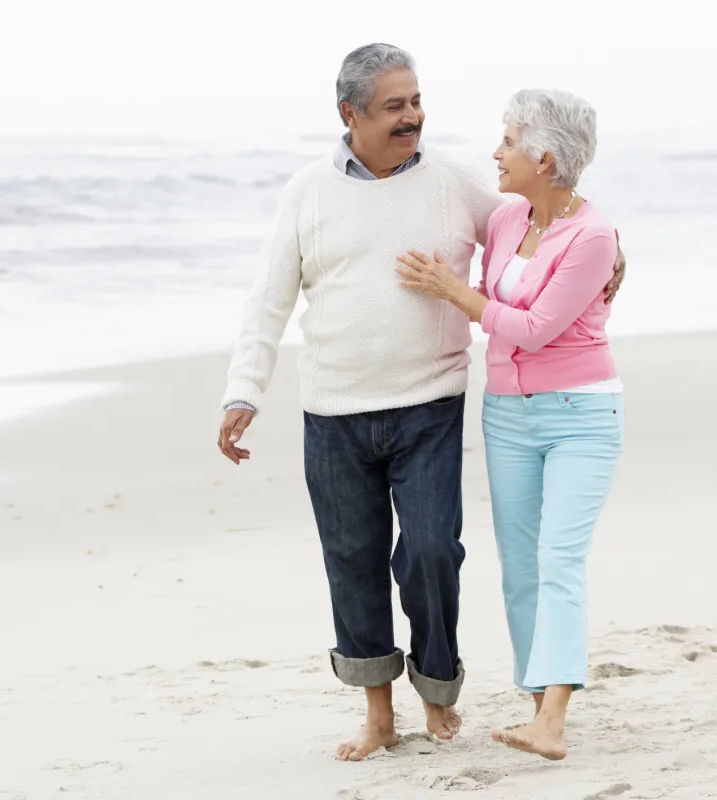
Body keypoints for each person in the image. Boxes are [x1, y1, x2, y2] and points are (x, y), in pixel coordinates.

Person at [218, 46, 624, 763]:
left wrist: (613, 253)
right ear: (351, 114)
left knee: (433, 551)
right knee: (354, 560)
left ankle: (438, 685)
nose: (414, 117)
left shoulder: (454, 184)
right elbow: (269, 298)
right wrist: (244, 390)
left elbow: (546, 219)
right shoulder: (308, 191)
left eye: (415, 100)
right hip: (335, 408)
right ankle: (379, 713)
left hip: (429, 405)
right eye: (395, 106)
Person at [396, 88, 625, 761]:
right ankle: (537, 706)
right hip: (507, 416)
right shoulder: (505, 220)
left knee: (559, 559)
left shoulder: (593, 235)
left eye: (508, 141)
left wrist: (455, 294)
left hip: (582, 415)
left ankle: (552, 719)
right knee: (520, 570)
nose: (496, 153)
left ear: (544, 156)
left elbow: (531, 328)